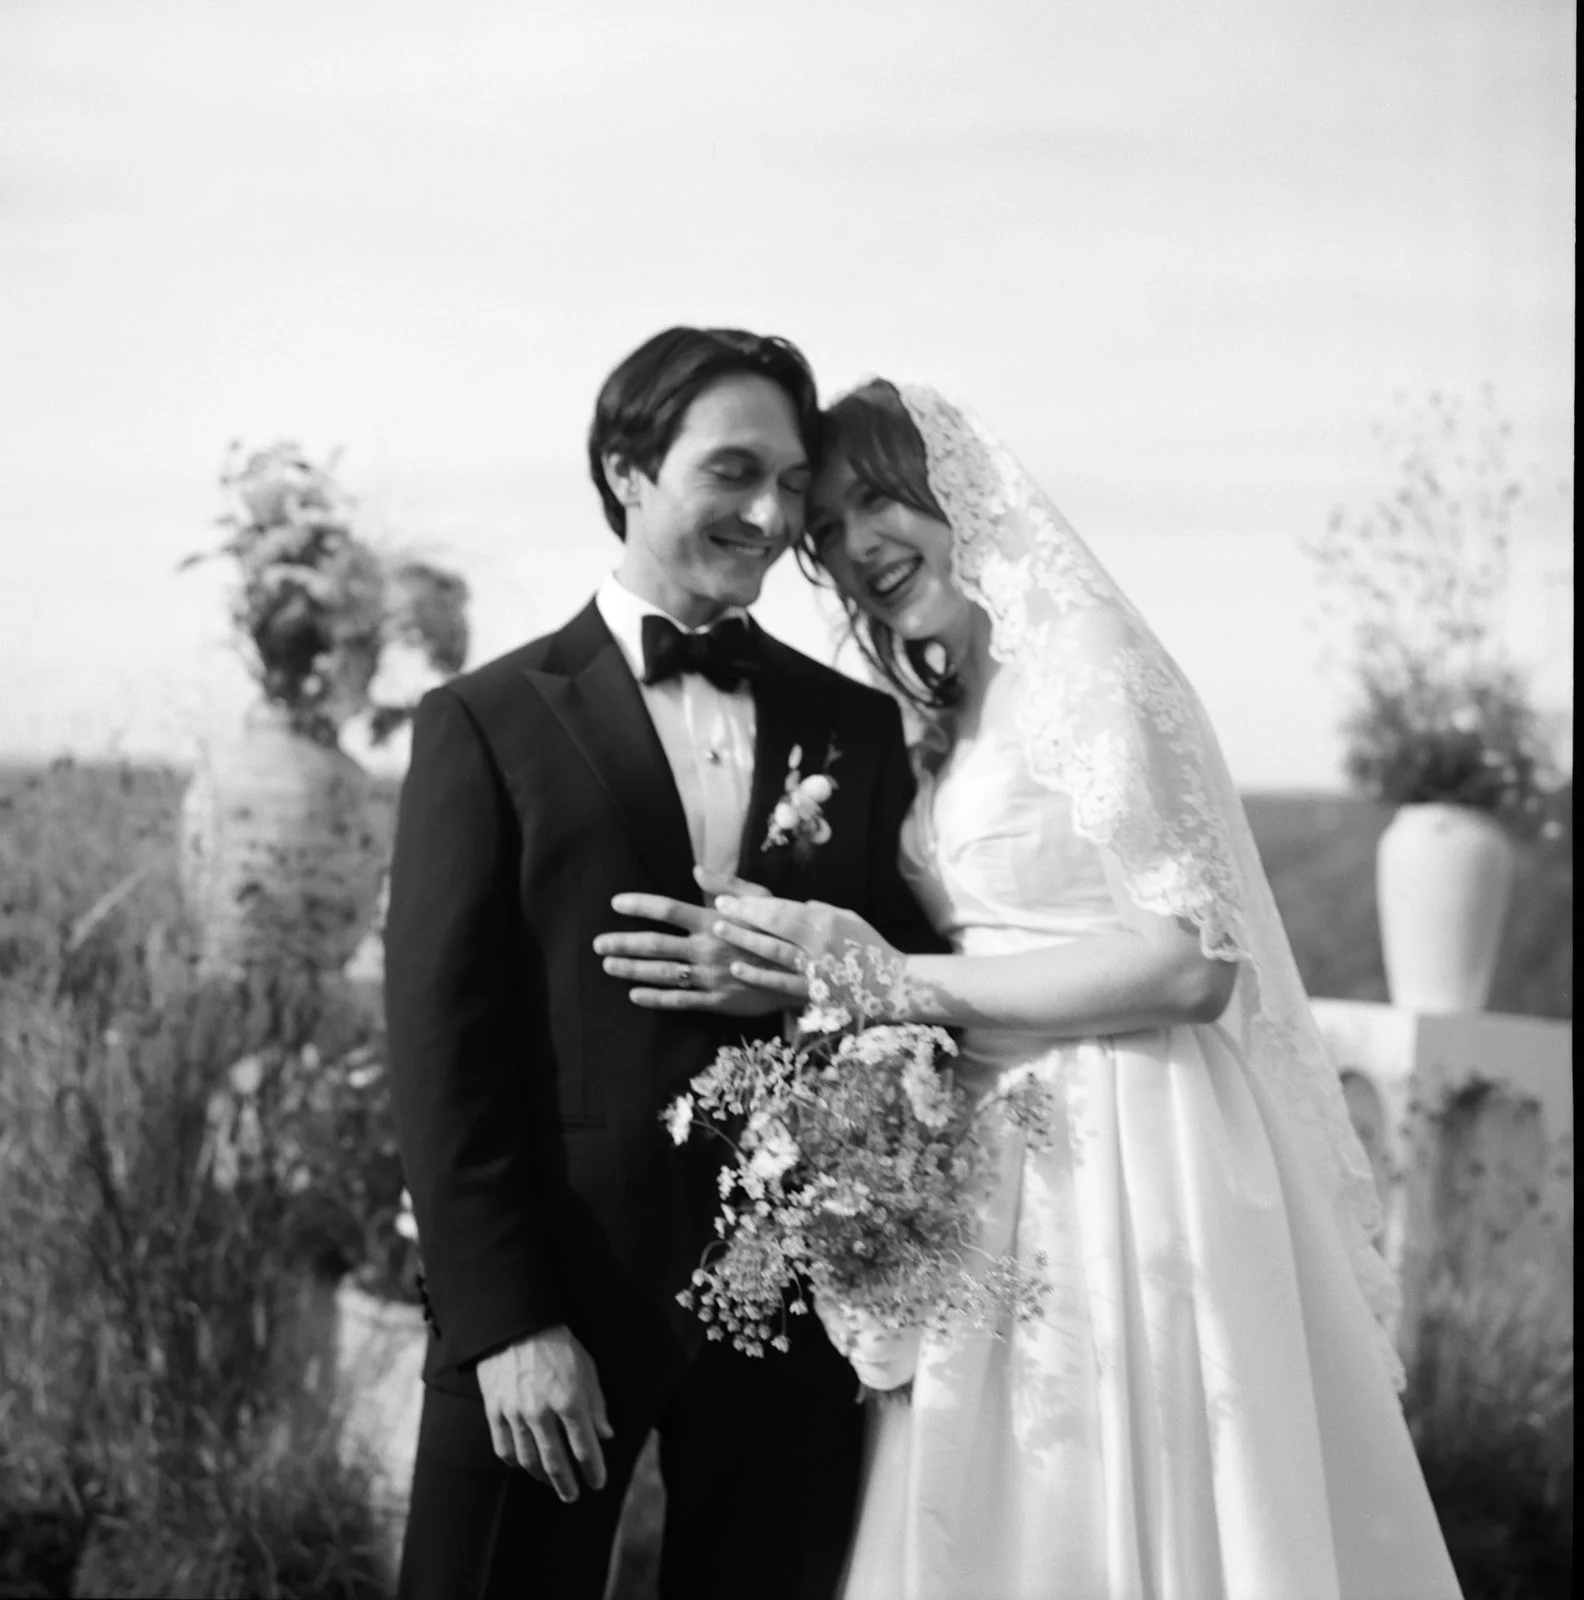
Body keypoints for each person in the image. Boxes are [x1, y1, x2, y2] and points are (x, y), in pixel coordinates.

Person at [696, 380, 1464, 1598]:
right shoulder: (949, 701)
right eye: (827, 531)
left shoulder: (1086, 667)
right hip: (992, 1158)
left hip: (1136, 1136)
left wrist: (897, 985)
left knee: (1136, 1492)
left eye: (877, 501)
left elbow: (1192, 962)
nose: (854, 546)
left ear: (963, 495)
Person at [383, 333, 942, 1600]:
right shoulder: (486, 720)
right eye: (734, 470)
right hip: (550, 1308)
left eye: (792, 483)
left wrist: (809, 983)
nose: (772, 514)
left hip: (798, 1321)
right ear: (630, 469)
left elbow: (919, 983)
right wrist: (507, 1324)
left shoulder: (857, 725)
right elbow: (439, 1046)